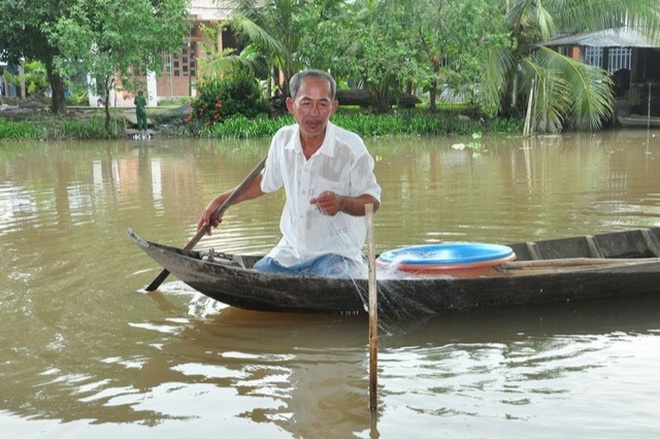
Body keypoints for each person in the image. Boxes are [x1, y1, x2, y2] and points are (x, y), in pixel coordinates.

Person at [197, 69, 381, 277]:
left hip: (335, 257)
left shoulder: (350, 147)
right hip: (290, 253)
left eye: (322, 103)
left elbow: (372, 201)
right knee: (258, 276)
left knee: (330, 284)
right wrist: (221, 202)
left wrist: (342, 203)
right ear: (290, 106)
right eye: (305, 103)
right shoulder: (282, 140)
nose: (314, 112)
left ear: (333, 108)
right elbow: (264, 182)